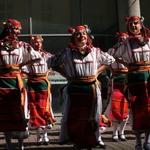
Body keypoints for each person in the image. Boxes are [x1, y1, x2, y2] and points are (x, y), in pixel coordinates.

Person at [47, 25, 115, 150]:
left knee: (92, 116)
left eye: (84, 34)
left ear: (87, 36)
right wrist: (66, 74)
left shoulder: (95, 51)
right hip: (75, 89)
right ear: (73, 37)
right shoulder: (67, 52)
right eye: (78, 34)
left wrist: (96, 73)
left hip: (91, 88)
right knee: (76, 117)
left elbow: (110, 60)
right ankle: (77, 142)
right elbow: (52, 62)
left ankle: (91, 141)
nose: (81, 36)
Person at [0, 19, 41, 150]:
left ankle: (20, 145)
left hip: (17, 82)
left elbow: (37, 57)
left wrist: (20, 66)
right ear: (9, 29)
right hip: (2, 82)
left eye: (19, 29)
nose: (17, 32)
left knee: (20, 112)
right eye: (16, 29)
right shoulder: (0, 44)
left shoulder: (22, 45)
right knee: (5, 114)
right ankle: (8, 146)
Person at [113, 16, 150, 150]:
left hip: (148, 77)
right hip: (134, 78)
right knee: (136, 109)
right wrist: (126, 64)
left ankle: (148, 140)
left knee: (148, 108)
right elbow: (115, 55)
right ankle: (138, 142)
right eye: (130, 24)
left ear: (141, 25)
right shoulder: (126, 43)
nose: (133, 26)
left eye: (136, 23)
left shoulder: (148, 41)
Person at [27, 35, 56, 145]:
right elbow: (23, 68)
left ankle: (45, 135)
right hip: (33, 84)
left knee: (45, 109)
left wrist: (47, 73)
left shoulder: (46, 55)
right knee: (35, 109)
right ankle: (38, 136)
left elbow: (55, 64)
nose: (38, 44)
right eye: (35, 42)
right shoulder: (29, 56)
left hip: (43, 84)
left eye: (39, 42)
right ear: (32, 43)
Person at [104, 32, 129, 142]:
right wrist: (111, 70)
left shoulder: (129, 50)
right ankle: (114, 132)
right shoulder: (111, 50)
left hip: (127, 78)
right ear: (118, 38)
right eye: (121, 38)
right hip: (116, 78)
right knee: (115, 106)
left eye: (125, 38)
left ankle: (122, 132)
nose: (122, 40)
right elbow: (106, 63)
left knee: (126, 106)